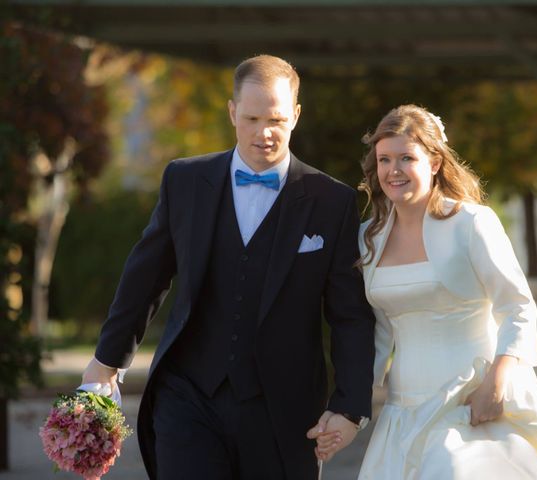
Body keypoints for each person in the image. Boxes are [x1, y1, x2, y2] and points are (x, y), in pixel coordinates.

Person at [81, 54, 375, 480]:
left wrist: (349, 407)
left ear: (295, 115)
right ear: (233, 111)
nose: (264, 132)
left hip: (283, 410)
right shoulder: (184, 180)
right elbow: (146, 277)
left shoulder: (333, 201)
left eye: (275, 119)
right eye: (252, 117)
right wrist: (106, 360)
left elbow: (350, 315)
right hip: (188, 394)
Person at [315, 104, 537, 479]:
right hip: (403, 410)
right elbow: (378, 333)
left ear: (434, 163)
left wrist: (498, 381)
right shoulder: (368, 239)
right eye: (384, 160)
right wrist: (350, 412)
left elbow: (518, 308)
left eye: (406, 158)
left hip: (470, 400)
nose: (393, 171)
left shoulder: (471, 223)